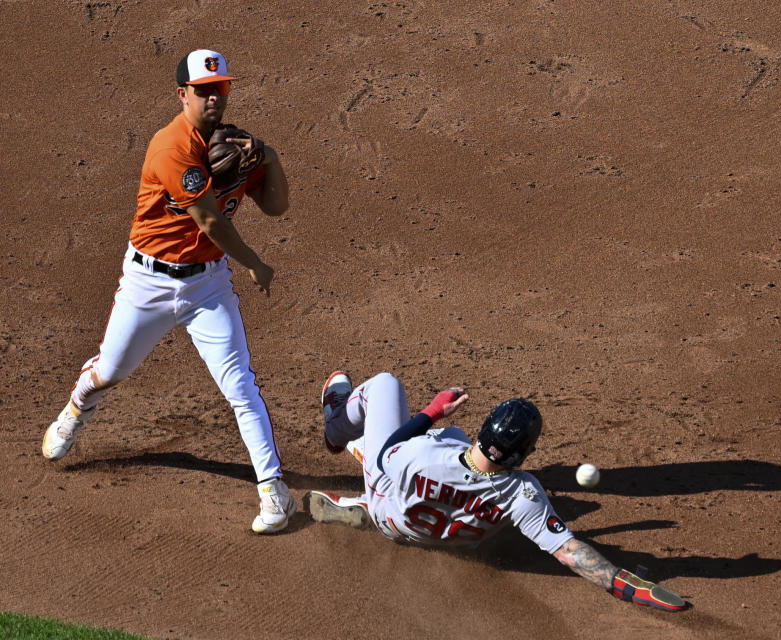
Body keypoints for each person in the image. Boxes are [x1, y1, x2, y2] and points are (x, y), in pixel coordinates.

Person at [41, 49, 297, 534]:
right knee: (111, 370)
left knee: (241, 387)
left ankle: (274, 491)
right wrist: (257, 265)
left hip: (207, 285)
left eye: (219, 89)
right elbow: (208, 220)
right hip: (148, 283)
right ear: (183, 95)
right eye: (202, 91)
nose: (213, 99)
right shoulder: (171, 146)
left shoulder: (237, 147)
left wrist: (271, 158)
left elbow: (277, 207)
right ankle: (78, 405)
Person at [312, 371, 688, 611]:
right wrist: (628, 586)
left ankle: (336, 430)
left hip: (390, 515)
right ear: (523, 453)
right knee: (451, 439)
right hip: (452, 541)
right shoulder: (522, 494)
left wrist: (432, 411)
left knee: (386, 387)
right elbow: (570, 553)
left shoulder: (420, 454)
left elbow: (387, 454)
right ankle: (360, 497)